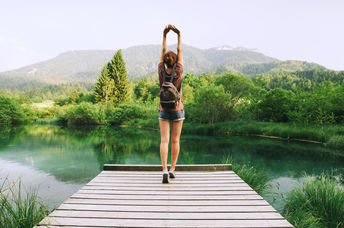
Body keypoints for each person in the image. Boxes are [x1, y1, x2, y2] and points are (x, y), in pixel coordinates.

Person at [158, 24, 184, 184]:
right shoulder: (179, 69)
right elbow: (180, 52)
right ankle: (173, 168)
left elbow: (163, 53)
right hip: (178, 108)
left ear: (165, 61)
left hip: (163, 108)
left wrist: (164, 35)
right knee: (175, 140)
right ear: (175, 61)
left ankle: (164, 170)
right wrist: (178, 35)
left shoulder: (161, 69)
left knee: (164, 140)